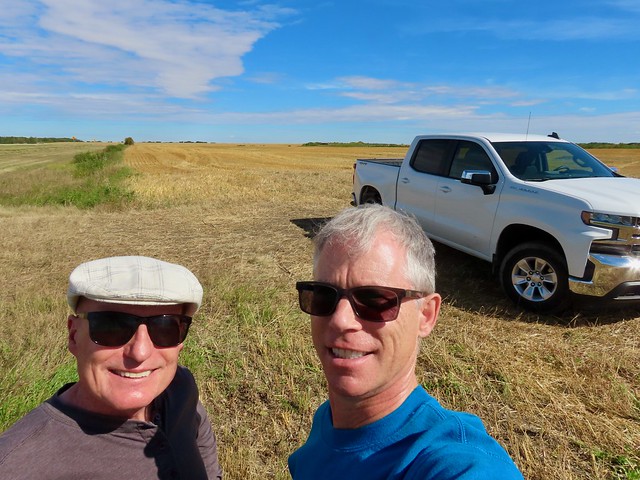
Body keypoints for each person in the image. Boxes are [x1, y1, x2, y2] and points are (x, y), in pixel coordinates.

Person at [289, 205, 523, 479]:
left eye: (375, 300)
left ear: (426, 315)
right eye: (323, 295)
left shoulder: (455, 462)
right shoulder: (329, 420)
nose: (341, 320)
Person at [0, 255, 222, 479]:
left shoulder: (181, 388)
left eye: (166, 328)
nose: (140, 352)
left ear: (180, 341)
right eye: (111, 327)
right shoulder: (15, 466)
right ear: (74, 335)